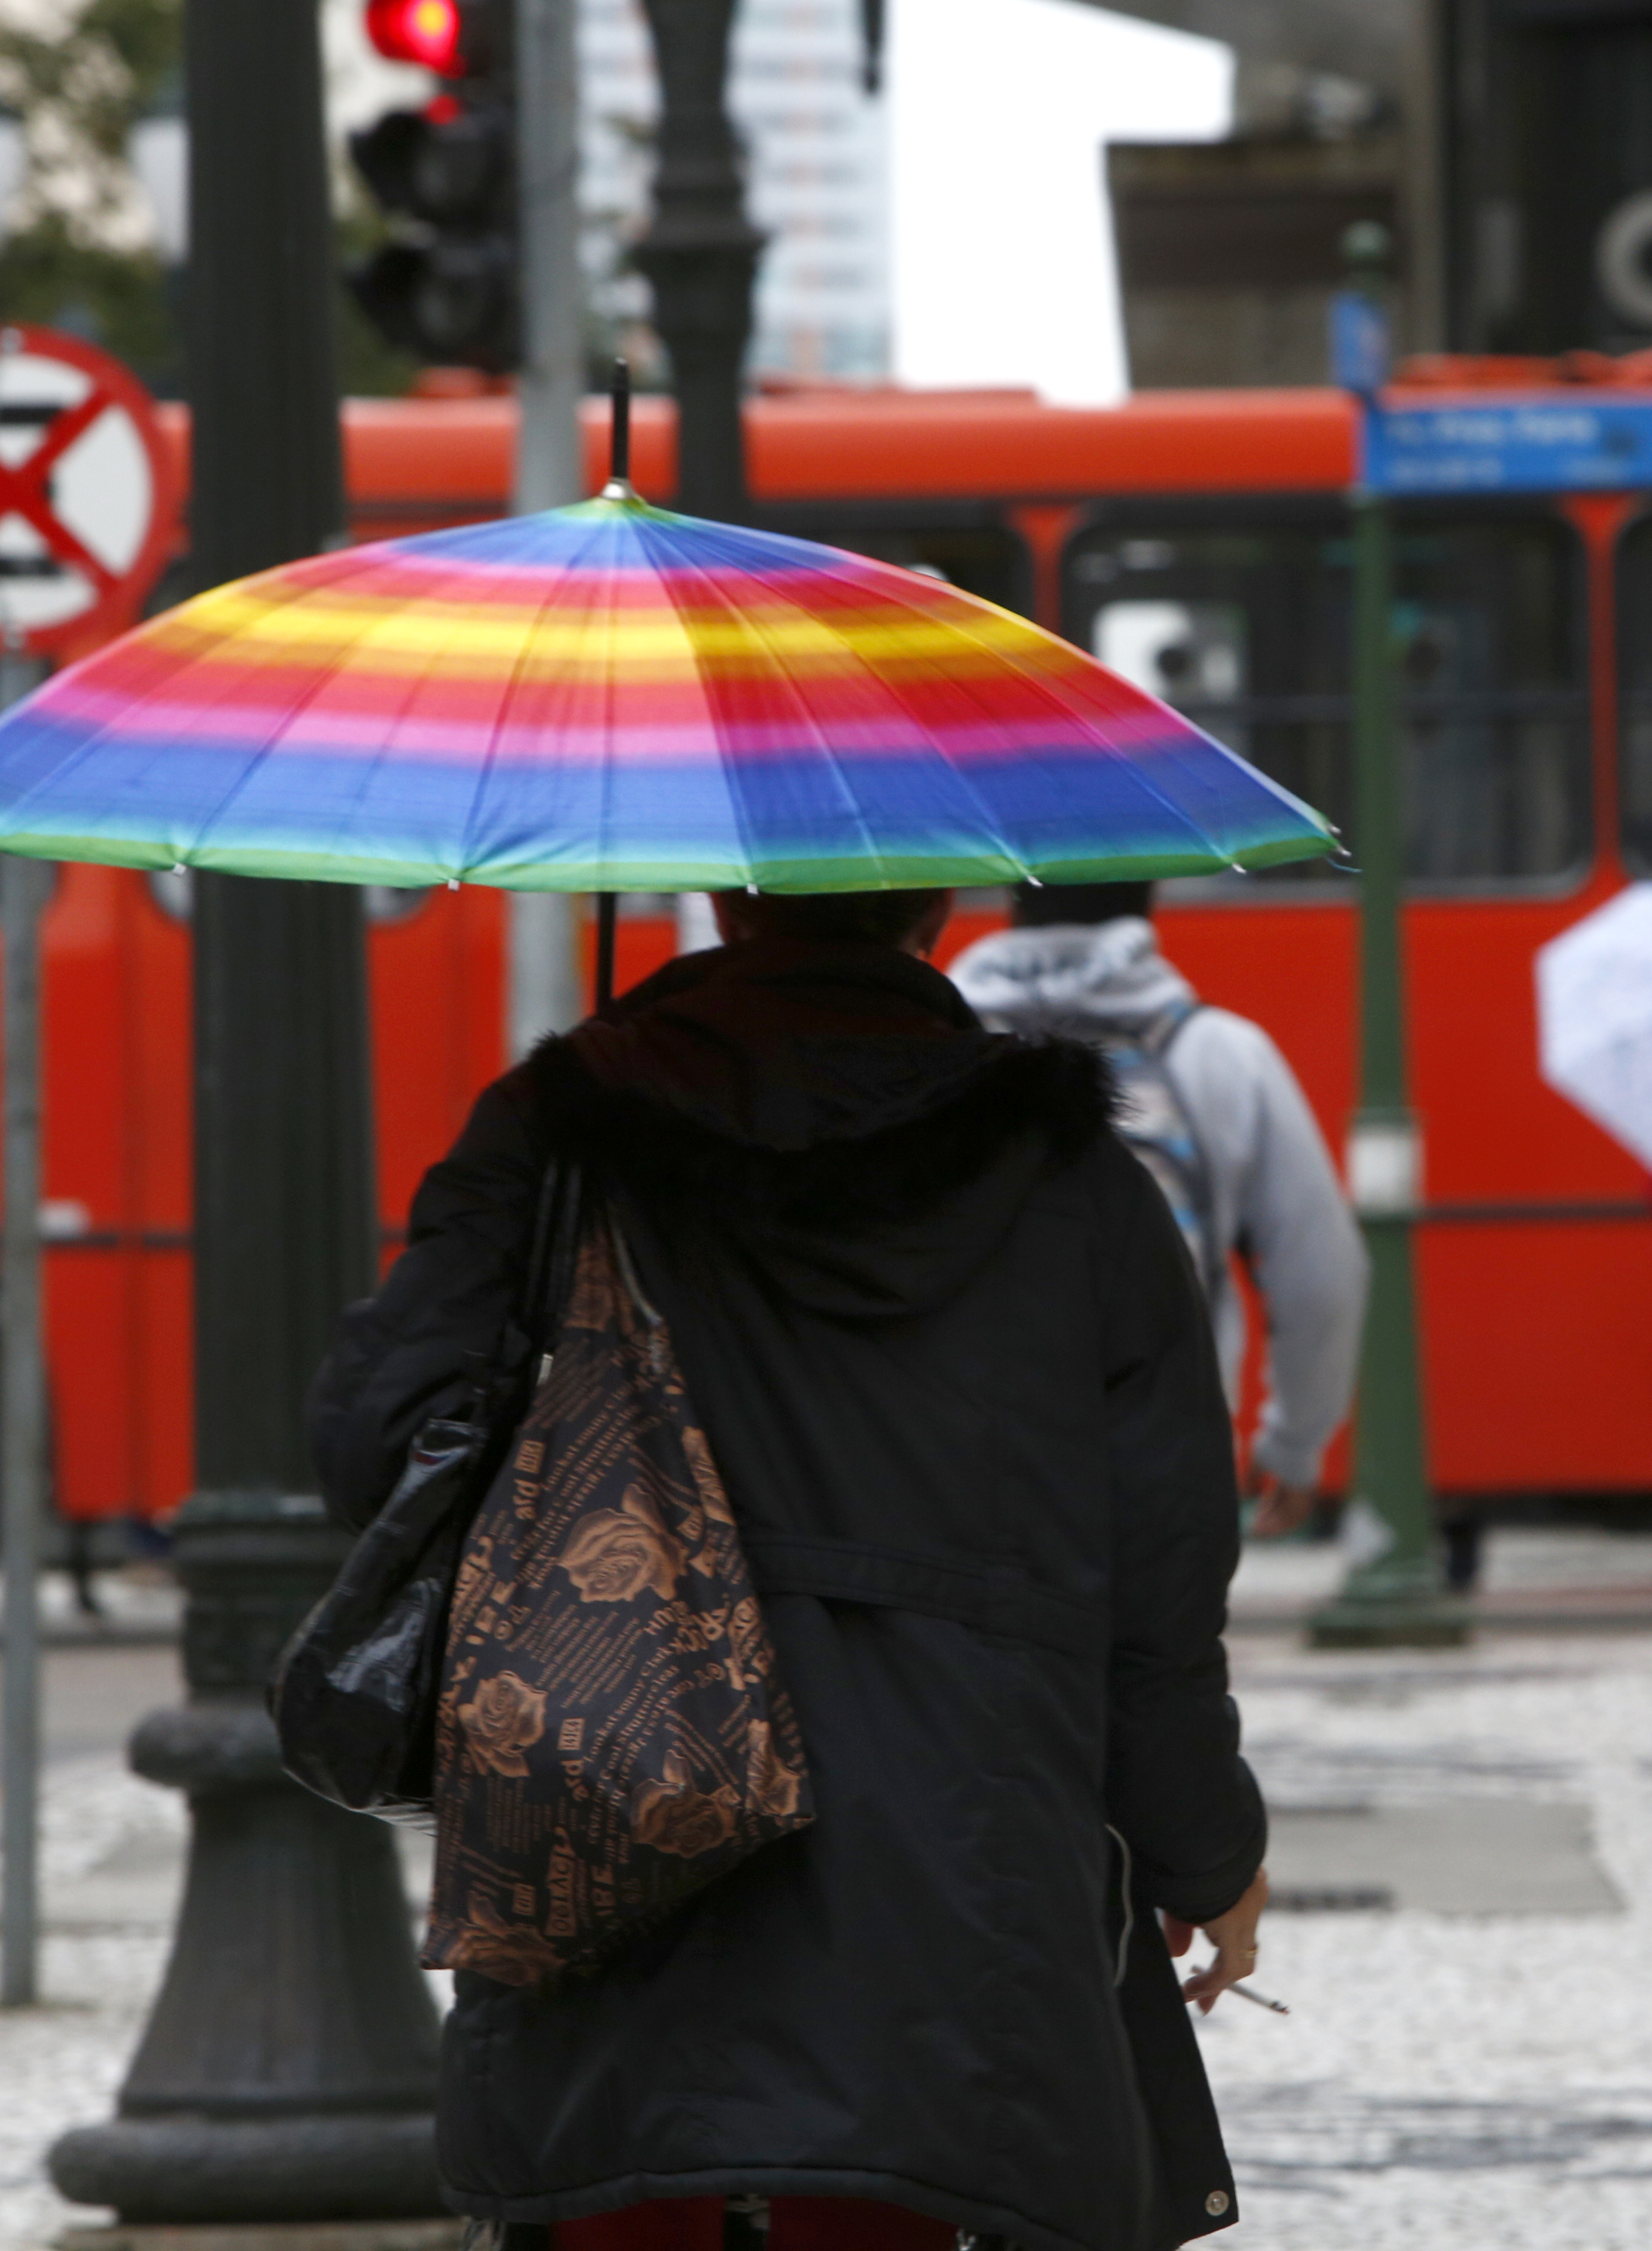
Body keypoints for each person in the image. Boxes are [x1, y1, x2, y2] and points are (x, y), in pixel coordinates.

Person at [310, 886, 1272, 2251]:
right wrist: (1206, 1851)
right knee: (892, 2190)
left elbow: (378, 1442)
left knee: (622, 2182)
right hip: (961, 1864)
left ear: (722, 897)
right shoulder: (1074, 1180)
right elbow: (1163, 1585)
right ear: (933, 907)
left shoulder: (566, 1130)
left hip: (608, 1812)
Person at [949, 881, 1366, 1540]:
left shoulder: (934, 1045)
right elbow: (1321, 1277)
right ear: (1149, 896)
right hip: (1165, 1469)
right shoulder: (1224, 1051)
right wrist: (1294, 1444)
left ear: (1013, 896)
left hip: (958, 1467)